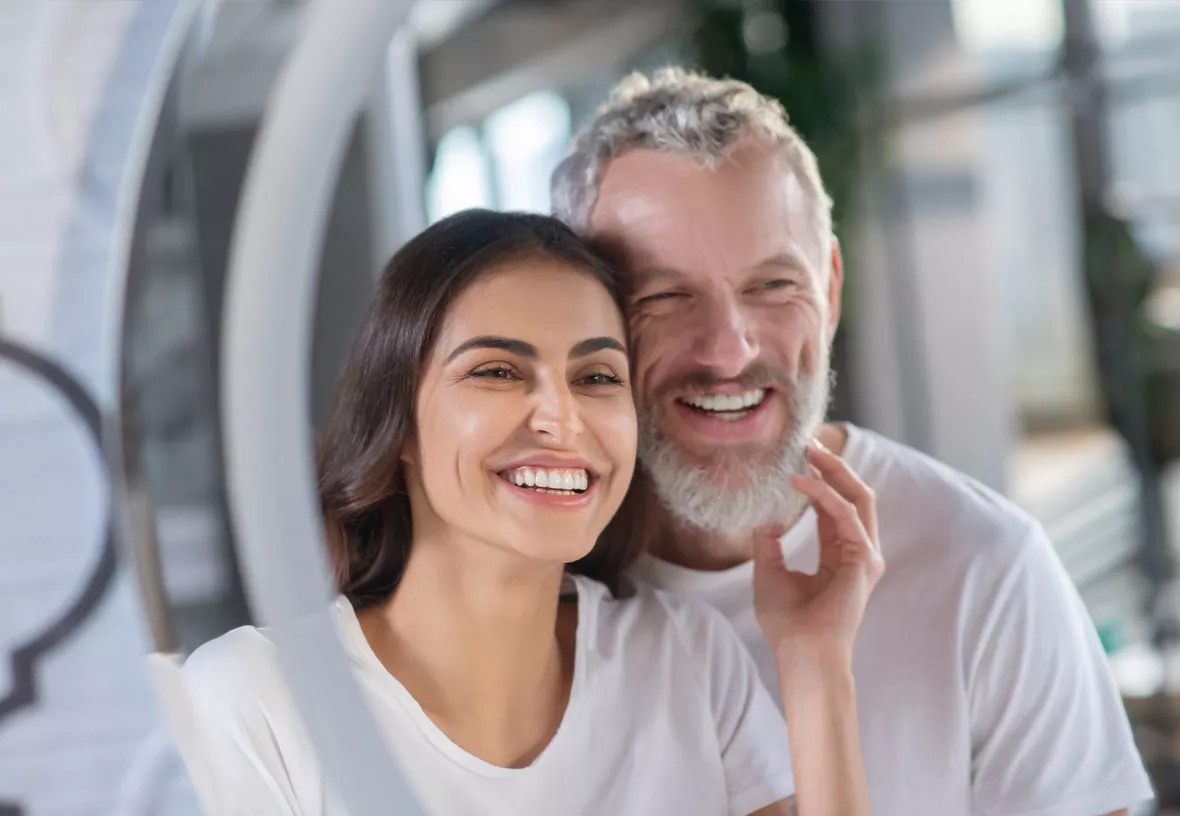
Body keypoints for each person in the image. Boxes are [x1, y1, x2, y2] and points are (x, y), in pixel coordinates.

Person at [551, 67, 1154, 816]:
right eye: (664, 297)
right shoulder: (534, 587)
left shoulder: (984, 566)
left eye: (774, 286)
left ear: (830, 289)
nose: (729, 351)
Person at [182, 209, 883, 815]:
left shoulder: (686, 661)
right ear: (398, 425)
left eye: (596, 377)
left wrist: (816, 663)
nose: (562, 418)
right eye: (497, 371)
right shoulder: (255, 705)